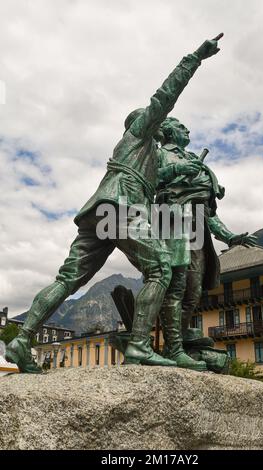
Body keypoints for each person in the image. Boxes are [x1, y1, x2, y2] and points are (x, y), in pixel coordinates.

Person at [6, 35, 224, 373]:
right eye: (157, 122)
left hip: (100, 213)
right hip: (121, 207)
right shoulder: (140, 134)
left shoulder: (146, 154)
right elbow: (164, 95)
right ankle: (138, 345)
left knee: (68, 278)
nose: (162, 125)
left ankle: (23, 338)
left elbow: (170, 172)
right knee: (161, 268)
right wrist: (194, 58)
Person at [157, 116, 257, 371]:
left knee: (193, 293)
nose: (187, 130)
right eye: (181, 127)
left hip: (197, 231)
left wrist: (230, 236)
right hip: (172, 227)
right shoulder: (160, 156)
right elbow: (150, 184)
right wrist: (177, 174)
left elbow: (208, 213)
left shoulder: (191, 158)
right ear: (169, 133)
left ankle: (176, 344)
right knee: (176, 289)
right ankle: (174, 347)